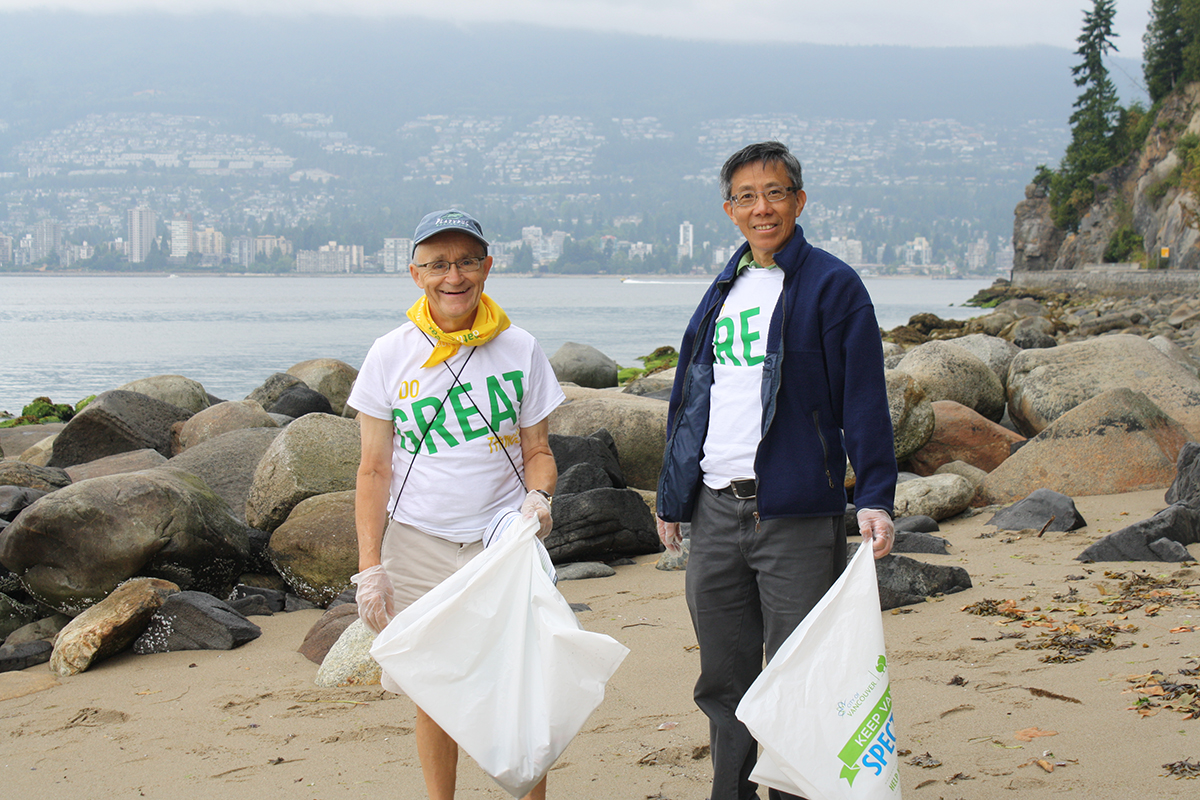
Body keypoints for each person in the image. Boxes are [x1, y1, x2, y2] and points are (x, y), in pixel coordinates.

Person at [655, 141, 898, 800]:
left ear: (799, 200)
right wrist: (671, 497)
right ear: (729, 209)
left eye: (775, 192)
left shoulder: (832, 285)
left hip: (793, 512)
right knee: (724, 681)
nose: (762, 208)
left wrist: (875, 496)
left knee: (798, 676)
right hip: (713, 510)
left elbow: (864, 399)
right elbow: (689, 397)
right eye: (746, 197)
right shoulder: (723, 288)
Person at [348, 209, 564, 800]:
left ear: (487, 267)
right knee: (433, 688)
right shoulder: (390, 354)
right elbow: (373, 469)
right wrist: (370, 566)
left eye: (467, 261)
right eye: (438, 263)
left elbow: (539, 450)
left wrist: (539, 500)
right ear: (415, 273)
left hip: (501, 540)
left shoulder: (520, 347)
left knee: (518, 687)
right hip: (417, 541)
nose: (454, 275)